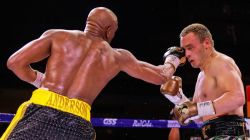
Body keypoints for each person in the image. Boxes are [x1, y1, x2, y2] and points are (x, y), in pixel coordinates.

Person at [1, 7, 185, 140]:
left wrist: (41, 81)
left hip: (41, 107)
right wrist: (173, 58)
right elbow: (161, 76)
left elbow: (14, 63)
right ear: (109, 30)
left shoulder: (57, 36)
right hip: (78, 121)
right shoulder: (117, 56)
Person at [162, 23, 247, 139]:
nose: (186, 54)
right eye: (184, 50)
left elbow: (238, 97)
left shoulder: (221, 62)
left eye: (190, 48)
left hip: (229, 134)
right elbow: (199, 117)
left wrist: (197, 109)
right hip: (210, 134)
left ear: (206, 43)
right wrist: (178, 98)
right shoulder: (201, 76)